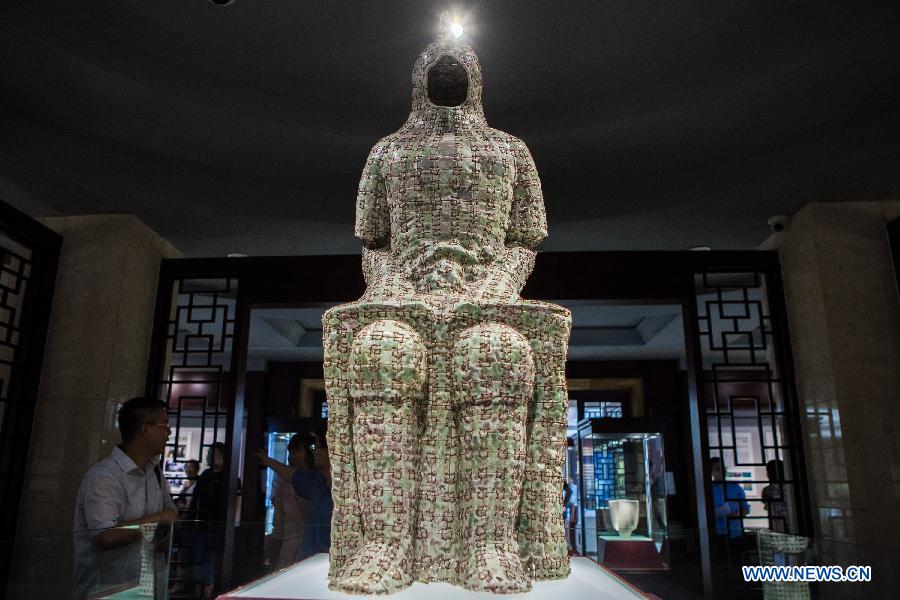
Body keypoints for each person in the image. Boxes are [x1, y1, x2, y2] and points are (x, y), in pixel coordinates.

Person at [72, 397, 177, 599]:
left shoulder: (153, 472)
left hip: (146, 589)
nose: (169, 433)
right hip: (108, 590)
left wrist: (167, 525)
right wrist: (159, 520)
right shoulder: (105, 476)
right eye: (165, 425)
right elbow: (105, 536)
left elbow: (172, 515)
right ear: (145, 430)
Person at [258, 432, 332, 561]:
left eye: (317, 448)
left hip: (324, 557)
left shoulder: (319, 483)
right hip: (303, 554)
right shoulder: (316, 482)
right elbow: (279, 526)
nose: (314, 452)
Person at [187, 443, 231, 599]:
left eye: (212, 454)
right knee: (199, 564)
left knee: (209, 565)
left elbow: (234, 505)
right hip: (202, 527)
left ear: (222, 456)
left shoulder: (229, 477)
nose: (207, 457)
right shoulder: (206, 475)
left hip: (217, 528)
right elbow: (195, 501)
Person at [266, 434, 312, 569]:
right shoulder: (282, 480)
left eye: (296, 451)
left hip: (305, 549)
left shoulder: (320, 479)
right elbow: (278, 524)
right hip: (290, 548)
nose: (291, 456)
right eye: (290, 451)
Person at [710, 456, 749, 539]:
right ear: (711, 472)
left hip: (735, 533)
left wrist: (736, 514)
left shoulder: (736, 488)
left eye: (723, 468)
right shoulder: (708, 490)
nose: (722, 471)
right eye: (717, 469)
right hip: (715, 533)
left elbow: (746, 509)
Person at [761, 459, 789, 533]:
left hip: (776, 524)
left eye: (767, 471)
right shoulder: (790, 488)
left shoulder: (767, 490)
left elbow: (767, 507)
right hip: (791, 523)